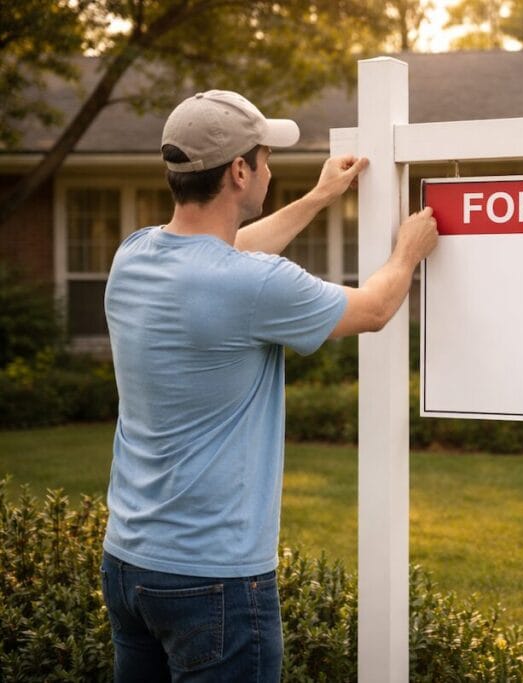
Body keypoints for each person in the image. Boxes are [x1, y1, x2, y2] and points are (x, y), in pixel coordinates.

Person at [99, 90, 437, 682]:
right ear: (239, 172)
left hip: (130, 564)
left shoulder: (134, 255)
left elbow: (224, 254)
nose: (270, 167)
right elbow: (377, 308)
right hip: (214, 581)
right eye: (264, 156)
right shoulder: (252, 284)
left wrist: (320, 197)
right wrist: (408, 250)